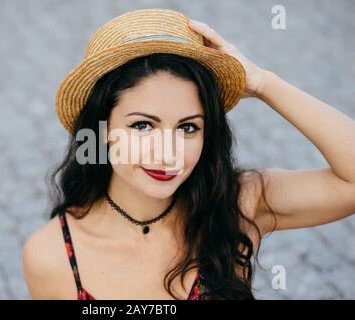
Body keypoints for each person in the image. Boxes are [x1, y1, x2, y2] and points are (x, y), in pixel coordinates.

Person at [22, 8, 355, 300]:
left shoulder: (237, 204)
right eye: (142, 126)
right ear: (101, 130)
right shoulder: (52, 256)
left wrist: (264, 83)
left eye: (188, 128)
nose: (169, 153)